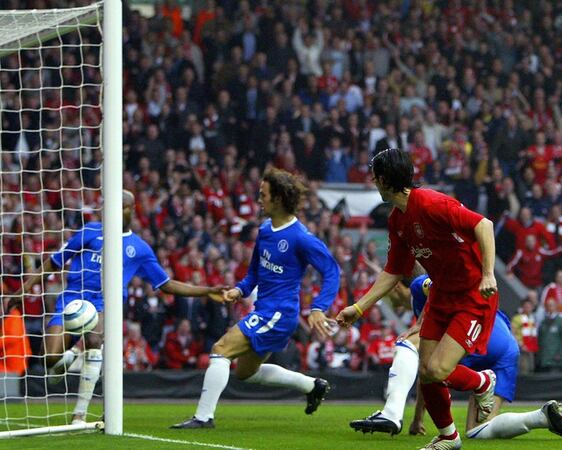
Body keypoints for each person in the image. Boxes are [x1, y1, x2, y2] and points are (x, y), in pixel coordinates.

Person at [10, 190, 226, 424]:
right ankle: (72, 358)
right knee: (49, 358)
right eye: (113, 205)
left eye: (122, 206)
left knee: (94, 341)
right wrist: (23, 288)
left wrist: (206, 290)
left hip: (105, 303)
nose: (116, 210)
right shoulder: (90, 231)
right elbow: (54, 261)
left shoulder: (139, 248)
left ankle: (79, 415)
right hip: (72, 299)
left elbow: (167, 284)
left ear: (131, 211)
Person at [337, 148, 501, 449]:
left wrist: (488, 273)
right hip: (440, 295)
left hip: (472, 296)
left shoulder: (431, 203)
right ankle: (449, 437)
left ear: (384, 179)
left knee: (438, 370)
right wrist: (359, 307)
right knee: (427, 374)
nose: (372, 180)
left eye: (375, 175)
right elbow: (393, 271)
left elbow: (484, 225)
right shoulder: (397, 219)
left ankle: (483, 382)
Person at [173, 168, 340, 429]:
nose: (258, 199)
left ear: (278, 199)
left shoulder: (301, 238)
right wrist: (239, 291)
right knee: (244, 373)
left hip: (279, 313)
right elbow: (254, 272)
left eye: (263, 195)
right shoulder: (264, 230)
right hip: (265, 310)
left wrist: (318, 307)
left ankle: (203, 417)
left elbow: (332, 271)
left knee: (220, 349)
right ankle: (312, 386)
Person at [349, 275, 562, 441]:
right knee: (478, 431)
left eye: (384, 291)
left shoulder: (420, 285)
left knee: (414, 351)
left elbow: (435, 285)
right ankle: (541, 417)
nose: (386, 300)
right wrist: (418, 419)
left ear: (396, 286)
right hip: (504, 346)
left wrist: (417, 419)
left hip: (480, 337)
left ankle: (394, 413)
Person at [537, 298, 562, 373]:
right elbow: (540, 339)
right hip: (543, 359)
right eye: (547, 306)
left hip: (555, 360)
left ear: (556, 307)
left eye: (551, 305)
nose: (549, 308)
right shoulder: (543, 322)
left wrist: (560, 354)